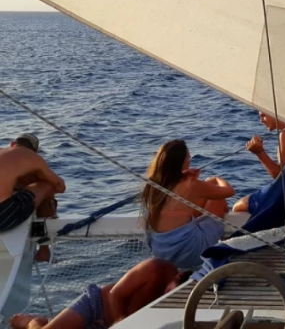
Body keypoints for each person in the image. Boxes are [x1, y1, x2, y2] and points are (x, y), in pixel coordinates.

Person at [9, 258, 191, 329]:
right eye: (168, 291)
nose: (167, 295)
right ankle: (32, 322)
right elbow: (114, 294)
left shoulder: (181, 299)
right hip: (96, 305)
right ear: (176, 276)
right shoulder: (155, 268)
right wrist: (120, 323)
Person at [141, 140, 234, 268]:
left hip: (161, 253)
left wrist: (185, 176)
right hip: (190, 253)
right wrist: (217, 179)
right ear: (181, 161)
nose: (190, 158)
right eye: (188, 156)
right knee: (217, 197)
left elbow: (176, 196)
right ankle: (219, 241)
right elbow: (229, 191)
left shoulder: (152, 184)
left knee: (200, 197)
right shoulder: (192, 185)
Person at [0, 133, 65, 261]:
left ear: (12, 144)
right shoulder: (33, 158)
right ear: (34, 151)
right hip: (3, 215)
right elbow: (60, 187)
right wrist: (34, 179)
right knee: (47, 187)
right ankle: (44, 250)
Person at [231, 112, 285, 214]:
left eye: (263, 115)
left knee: (238, 205)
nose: (261, 120)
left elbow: (281, 176)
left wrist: (259, 152)